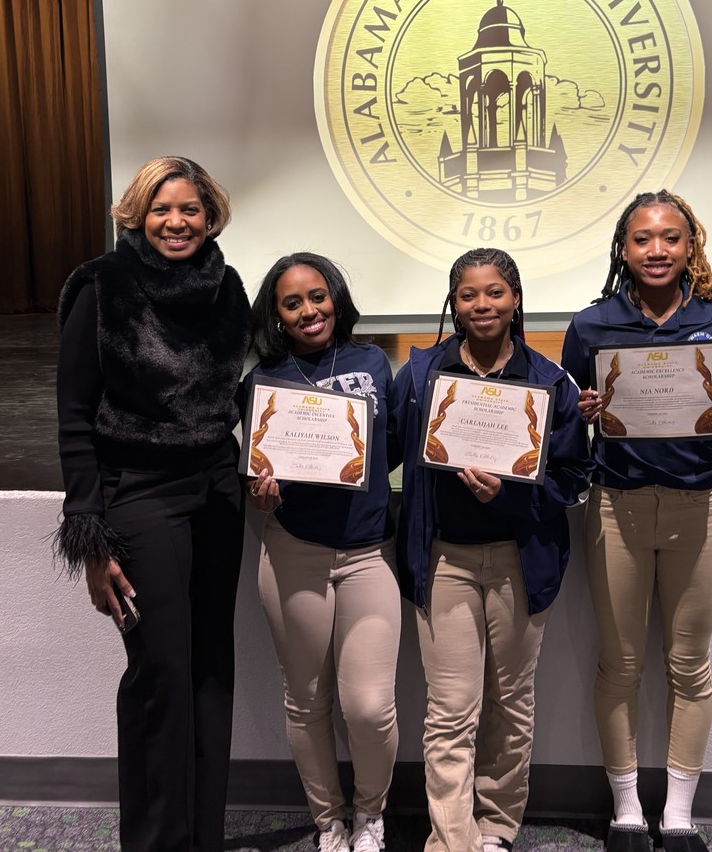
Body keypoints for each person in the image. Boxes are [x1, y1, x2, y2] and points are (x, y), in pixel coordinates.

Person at [53, 156, 252, 852]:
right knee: (159, 675)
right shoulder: (102, 287)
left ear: (210, 215)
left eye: (190, 209)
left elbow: (234, 394)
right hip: (140, 495)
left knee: (209, 670)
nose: (176, 222)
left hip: (218, 493)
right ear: (137, 214)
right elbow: (74, 418)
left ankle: (202, 837)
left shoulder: (227, 288)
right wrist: (93, 541)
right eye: (162, 209)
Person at [560, 191, 712, 852]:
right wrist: (582, 411)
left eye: (671, 238)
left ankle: (678, 814)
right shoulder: (590, 328)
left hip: (698, 509)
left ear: (689, 247)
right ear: (623, 249)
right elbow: (567, 418)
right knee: (619, 664)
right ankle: (625, 813)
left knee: (690, 666)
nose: (657, 250)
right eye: (643, 239)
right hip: (617, 506)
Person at [391, 247, 593, 852]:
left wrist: (509, 496)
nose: (482, 305)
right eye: (468, 295)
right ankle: (453, 838)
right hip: (444, 559)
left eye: (495, 293)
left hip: (519, 562)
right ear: (453, 304)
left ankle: (499, 828)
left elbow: (572, 478)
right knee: (451, 710)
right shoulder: (422, 374)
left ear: (516, 299)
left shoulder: (548, 381)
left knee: (510, 706)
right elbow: (386, 451)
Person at [244, 253, 399, 852]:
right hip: (293, 552)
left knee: (367, 707)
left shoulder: (374, 364)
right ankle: (329, 821)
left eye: (318, 297)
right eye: (292, 302)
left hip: (366, 554)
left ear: (336, 299)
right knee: (306, 700)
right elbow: (256, 475)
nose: (309, 311)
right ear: (277, 316)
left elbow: (386, 452)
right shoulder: (259, 384)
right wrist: (262, 493)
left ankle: (371, 815)